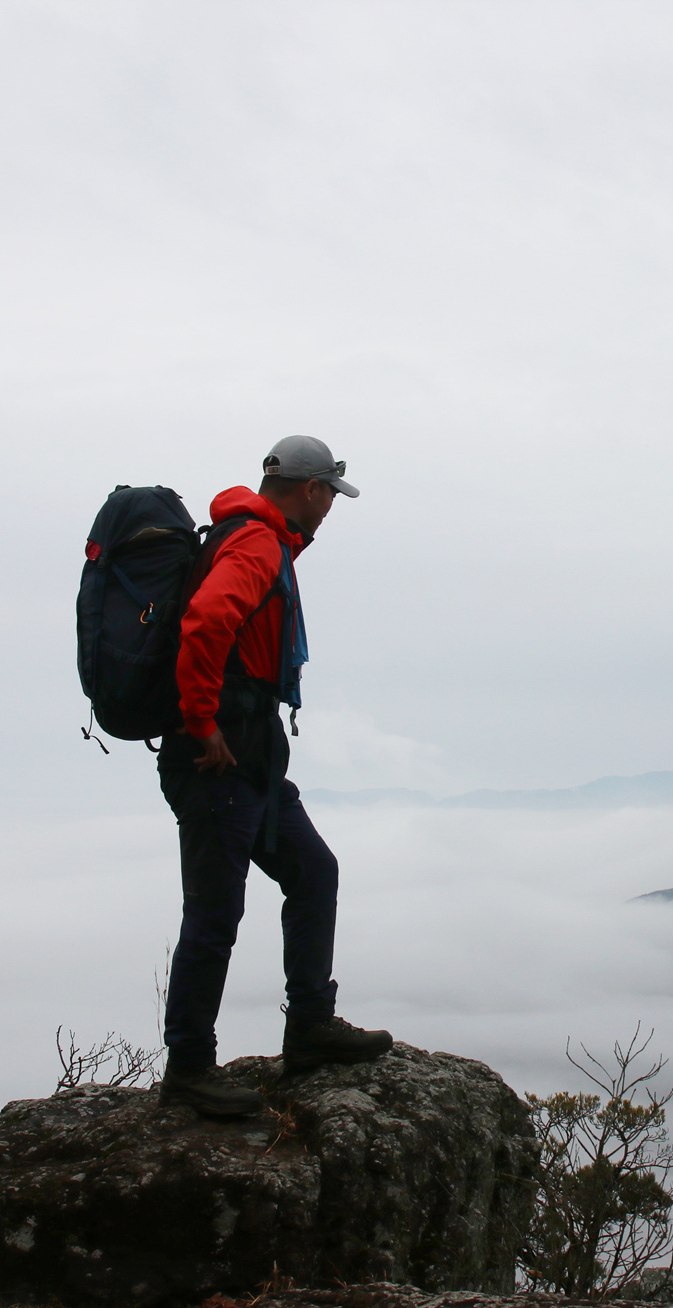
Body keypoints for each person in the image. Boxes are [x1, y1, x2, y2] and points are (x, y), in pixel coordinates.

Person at [155, 434, 392, 1117]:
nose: (329, 511)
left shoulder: (260, 538)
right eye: (329, 498)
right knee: (214, 915)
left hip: (252, 760)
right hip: (216, 761)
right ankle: (189, 1070)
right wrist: (202, 722)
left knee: (314, 872)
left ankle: (311, 1027)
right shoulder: (255, 544)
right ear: (313, 490)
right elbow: (206, 621)